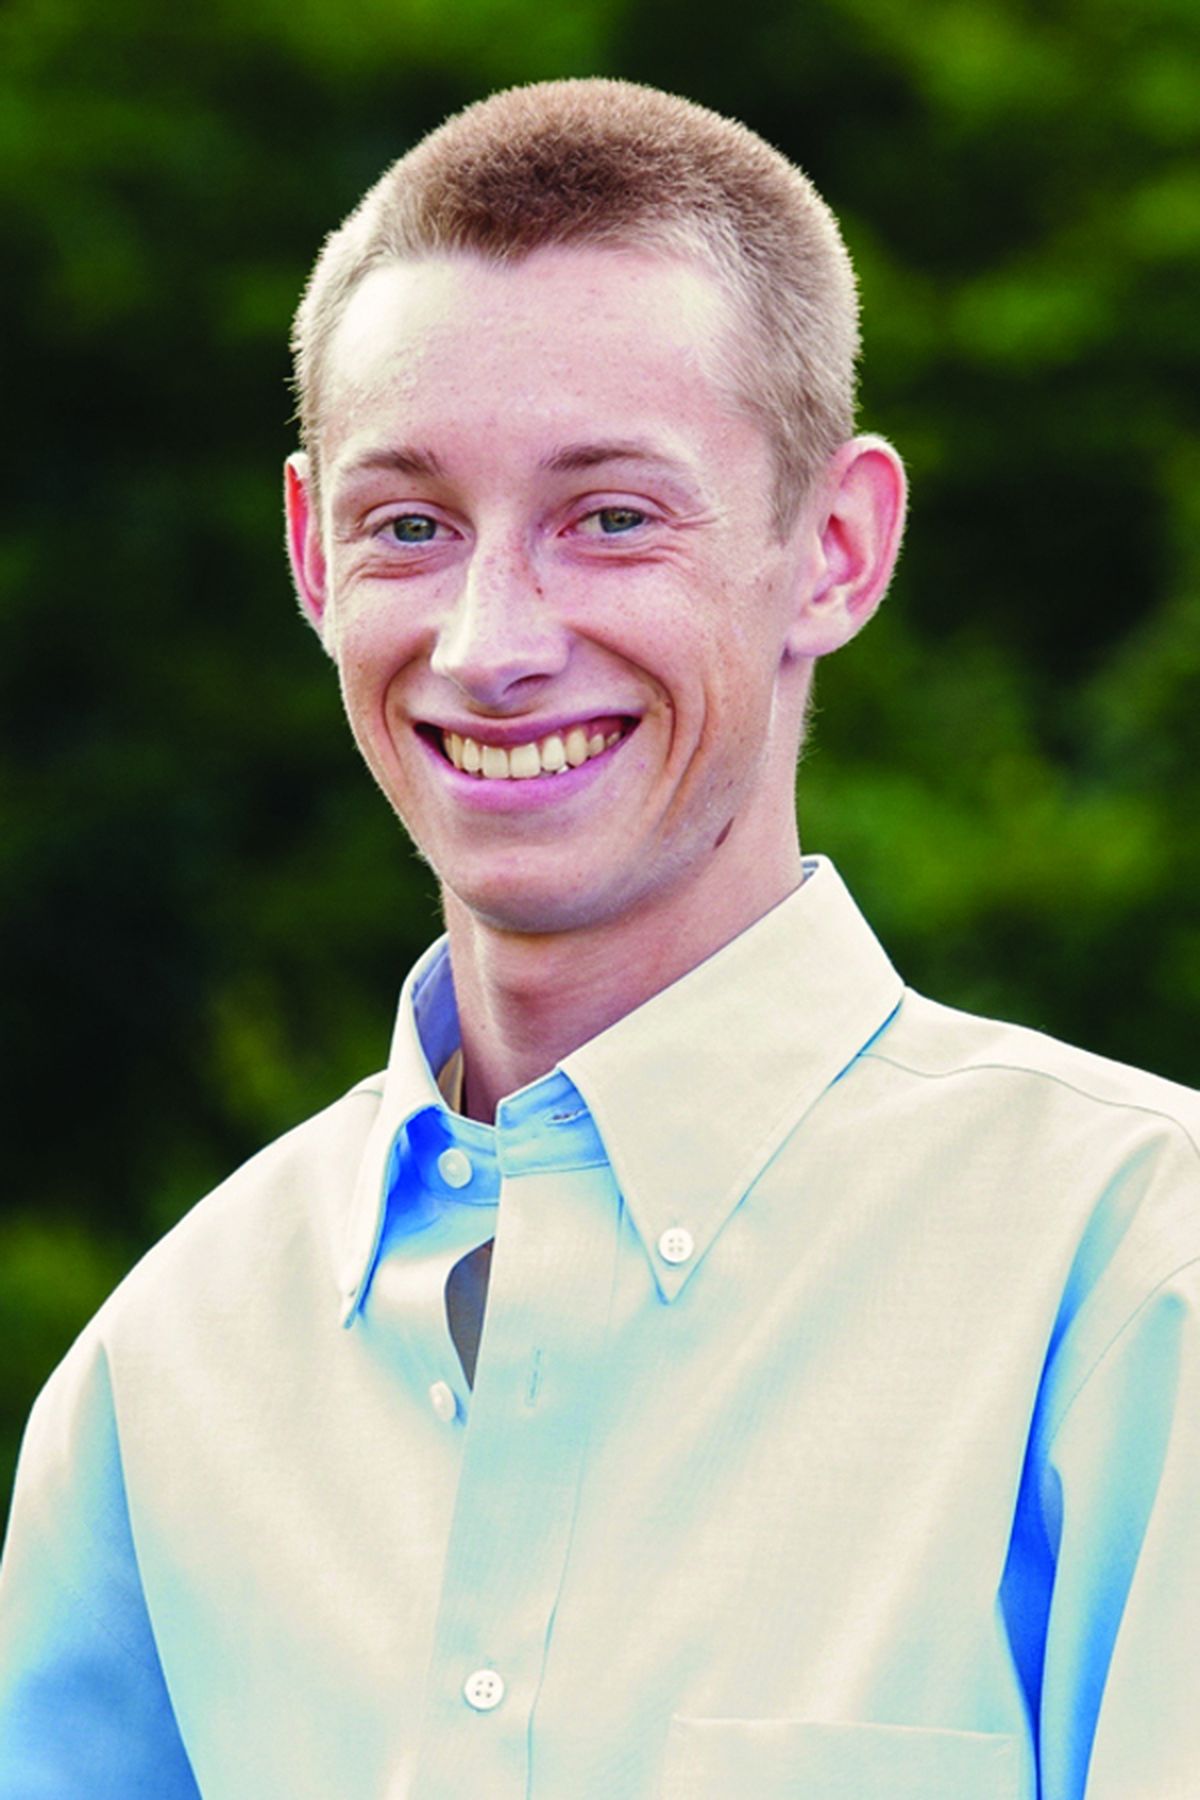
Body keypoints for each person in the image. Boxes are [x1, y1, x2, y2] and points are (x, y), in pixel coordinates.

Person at [0, 77, 1197, 1800]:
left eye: (611, 517)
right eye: (409, 524)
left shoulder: (1139, 1285)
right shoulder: (167, 1371)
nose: (491, 644)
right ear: (310, 560)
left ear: (836, 551)